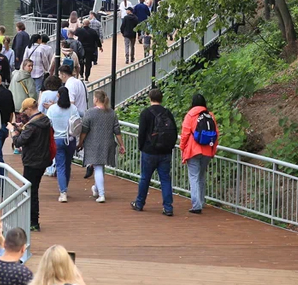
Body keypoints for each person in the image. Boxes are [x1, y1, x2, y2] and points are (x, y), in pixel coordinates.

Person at [132, 88, 178, 216]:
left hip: (149, 151)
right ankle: (168, 207)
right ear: (161, 99)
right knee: (165, 179)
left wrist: (141, 147)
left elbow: (141, 133)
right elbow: (174, 131)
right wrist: (170, 147)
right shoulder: (167, 113)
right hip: (165, 151)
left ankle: (139, 203)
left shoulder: (146, 113)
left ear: (150, 98)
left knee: (145, 178)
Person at [9, 97, 52, 231]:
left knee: (30, 191)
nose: (24, 114)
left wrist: (14, 132)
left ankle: (33, 221)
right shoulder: (45, 120)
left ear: (29, 109)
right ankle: (32, 220)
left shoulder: (32, 125)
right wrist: (23, 129)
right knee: (34, 190)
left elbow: (18, 142)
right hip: (43, 159)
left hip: (32, 161)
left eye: (25, 111)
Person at [78, 91, 126, 204]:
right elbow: (117, 131)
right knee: (100, 167)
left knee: (98, 167)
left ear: (96, 99)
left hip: (93, 144)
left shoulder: (89, 113)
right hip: (108, 143)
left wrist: (80, 142)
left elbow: (84, 130)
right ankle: (96, 188)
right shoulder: (112, 113)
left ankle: (102, 194)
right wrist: (121, 144)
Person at [180, 93, 219, 214]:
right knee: (201, 176)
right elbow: (216, 134)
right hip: (207, 150)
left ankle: (196, 205)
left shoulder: (190, 115)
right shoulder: (210, 115)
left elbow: (185, 134)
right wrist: (213, 150)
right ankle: (201, 201)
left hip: (193, 150)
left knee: (194, 176)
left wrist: (182, 148)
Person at [47, 87, 77, 203]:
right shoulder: (73, 108)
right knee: (68, 165)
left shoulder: (52, 109)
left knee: (60, 166)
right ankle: (65, 188)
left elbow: (48, 124)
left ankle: (63, 191)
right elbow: (77, 123)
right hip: (70, 139)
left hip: (57, 139)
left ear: (58, 95)